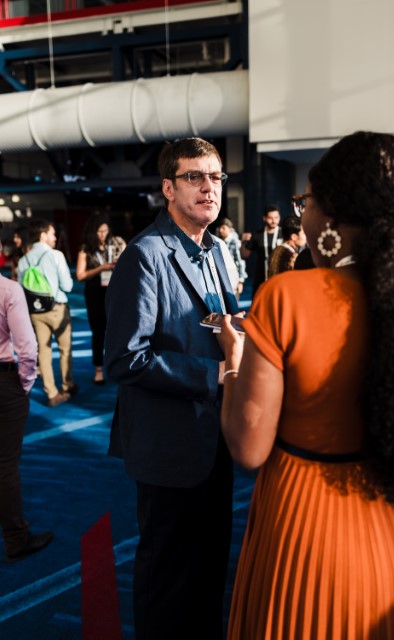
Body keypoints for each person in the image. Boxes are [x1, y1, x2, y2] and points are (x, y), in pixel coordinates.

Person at [218, 131, 394, 639]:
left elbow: (248, 447)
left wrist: (232, 362)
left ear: (330, 216)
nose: (302, 213)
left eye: (305, 202)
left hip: (307, 527)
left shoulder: (287, 295)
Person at [104, 137, 239, 640]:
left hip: (215, 438)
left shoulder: (216, 249)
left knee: (209, 570)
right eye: (194, 177)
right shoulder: (144, 256)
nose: (209, 188)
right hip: (167, 445)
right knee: (167, 578)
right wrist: (214, 375)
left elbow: (218, 323)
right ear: (168, 188)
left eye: (216, 177)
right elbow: (125, 358)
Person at [0, 221, 53, 561]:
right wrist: (25, 383)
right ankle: (16, 538)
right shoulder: (8, 289)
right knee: (5, 464)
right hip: (5, 382)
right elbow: (27, 348)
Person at [17, 219, 77, 407]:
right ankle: (67, 385)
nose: (55, 237)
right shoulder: (55, 255)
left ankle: (51, 393)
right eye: (52, 234)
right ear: (43, 235)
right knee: (65, 349)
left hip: (35, 312)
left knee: (43, 351)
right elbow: (67, 286)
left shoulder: (23, 260)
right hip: (57, 308)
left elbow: (21, 288)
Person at [76, 214, 126, 384]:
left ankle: (119, 365)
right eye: (99, 231)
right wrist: (101, 268)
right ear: (93, 232)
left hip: (116, 291)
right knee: (98, 332)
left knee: (119, 331)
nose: (103, 235)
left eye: (105, 231)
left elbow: (131, 264)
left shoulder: (118, 242)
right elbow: (80, 275)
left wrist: (120, 263)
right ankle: (98, 368)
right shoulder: (86, 248)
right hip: (95, 293)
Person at [241, 204, 283, 297]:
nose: (274, 221)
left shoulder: (283, 234)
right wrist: (244, 242)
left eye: (276, 217)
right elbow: (244, 255)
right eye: (270, 218)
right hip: (261, 276)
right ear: (264, 218)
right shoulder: (257, 234)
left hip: (279, 275)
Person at [217, 217, 247, 298]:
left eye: (223, 228)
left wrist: (240, 281)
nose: (221, 230)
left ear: (230, 229)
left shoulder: (235, 242)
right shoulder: (218, 241)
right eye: (220, 228)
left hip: (233, 277)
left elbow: (240, 261)